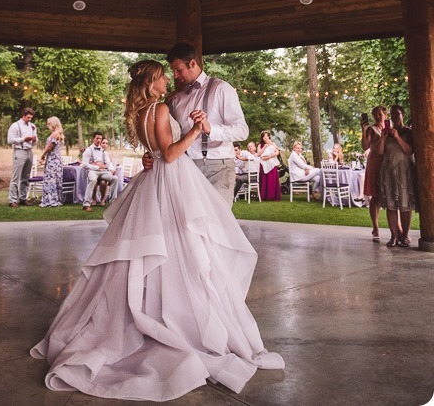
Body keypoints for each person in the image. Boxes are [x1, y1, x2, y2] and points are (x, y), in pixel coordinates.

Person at [30, 60, 284, 400]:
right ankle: (178, 320)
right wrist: (195, 131)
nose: (168, 78)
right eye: (163, 75)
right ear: (152, 82)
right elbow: (169, 153)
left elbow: (154, 151)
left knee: (167, 251)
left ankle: (156, 308)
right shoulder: (162, 107)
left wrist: (162, 150)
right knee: (185, 250)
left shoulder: (143, 111)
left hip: (155, 182)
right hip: (172, 180)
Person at [144, 42, 249, 208]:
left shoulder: (221, 89)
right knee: (191, 228)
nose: (176, 76)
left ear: (192, 63)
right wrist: (152, 155)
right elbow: (165, 134)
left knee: (216, 226)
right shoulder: (175, 98)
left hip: (217, 169)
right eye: (173, 71)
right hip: (185, 170)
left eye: (179, 70)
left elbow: (242, 131)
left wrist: (210, 129)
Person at [377, 105, 417, 248]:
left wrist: (397, 137)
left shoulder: (408, 132)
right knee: (391, 206)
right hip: (389, 171)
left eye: (397, 114)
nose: (394, 117)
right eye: (392, 115)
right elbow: (380, 151)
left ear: (403, 115)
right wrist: (383, 137)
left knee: (405, 206)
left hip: (404, 171)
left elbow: (409, 151)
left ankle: (405, 236)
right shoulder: (386, 132)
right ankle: (394, 236)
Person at [361, 106, 387, 242]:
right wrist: (363, 130)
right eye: (375, 115)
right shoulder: (372, 129)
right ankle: (375, 227)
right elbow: (365, 146)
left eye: (379, 114)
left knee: (392, 197)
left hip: (388, 163)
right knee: (375, 196)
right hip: (375, 163)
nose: (377, 117)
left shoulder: (389, 128)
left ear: (385, 114)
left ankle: (398, 228)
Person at [7, 107, 38, 207]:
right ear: (23, 116)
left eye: (31, 118)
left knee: (26, 177)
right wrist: (23, 139)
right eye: (28, 117)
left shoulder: (32, 126)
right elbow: (10, 140)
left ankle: (23, 198)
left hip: (29, 151)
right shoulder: (15, 126)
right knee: (16, 177)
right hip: (19, 151)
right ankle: (12, 200)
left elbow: (36, 139)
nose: (30, 119)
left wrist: (34, 139)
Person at [81, 132, 118, 211]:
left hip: (103, 172)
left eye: (100, 139)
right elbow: (84, 165)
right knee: (93, 179)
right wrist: (97, 166)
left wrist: (112, 169)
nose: (99, 140)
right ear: (93, 139)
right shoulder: (88, 150)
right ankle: (86, 204)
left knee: (115, 178)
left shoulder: (103, 151)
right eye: (97, 138)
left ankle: (113, 203)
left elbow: (108, 162)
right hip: (93, 171)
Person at [39, 117, 64, 208]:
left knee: (51, 179)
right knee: (53, 179)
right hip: (54, 159)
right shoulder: (56, 133)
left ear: (54, 124)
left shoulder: (55, 134)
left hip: (53, 160)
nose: (47, 125)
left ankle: (51, 200)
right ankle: (53, 198)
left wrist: (42, 156)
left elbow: (49, 147)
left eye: (49, 123)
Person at [257, 130, 281, 201]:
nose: (266, 137)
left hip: (272, 163)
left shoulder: (272, 143)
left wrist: (269, 157)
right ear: (262, 138)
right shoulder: (260, 145)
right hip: (264, 163)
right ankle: (264, 196)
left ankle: (273, 195)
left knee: (272, 180)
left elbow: (277, 151)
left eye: (267, 136)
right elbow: (258, 154)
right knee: (265, 180)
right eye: (264, 136)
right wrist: (265, 147)